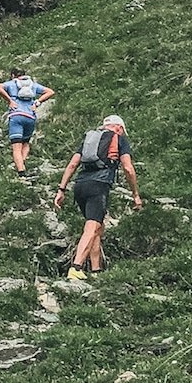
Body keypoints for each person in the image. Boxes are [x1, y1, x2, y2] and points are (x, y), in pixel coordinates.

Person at [54, 115, 142, 281]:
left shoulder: (89, 139)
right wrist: (135, 194)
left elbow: (72, 164)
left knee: (97, 226)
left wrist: (61, 190)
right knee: (91, 228)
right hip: (98, 186)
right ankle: (76, 267)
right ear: (118, 127)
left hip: (80, 186)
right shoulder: (118, 139)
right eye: (122, 131)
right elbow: (128, 169)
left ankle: (96, 269)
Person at [0, 67, 55, 177]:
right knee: (25, 142)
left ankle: (21, 171)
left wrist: (10, 100)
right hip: (30, 116)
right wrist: (37, 102)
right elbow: (50, 92)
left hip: (16, 116)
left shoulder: (11, 84)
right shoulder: (33, 85)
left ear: (13, 75)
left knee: (16, 146)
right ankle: (22, 162)